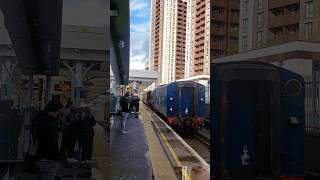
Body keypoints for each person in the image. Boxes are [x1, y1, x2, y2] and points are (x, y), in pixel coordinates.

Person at [35, 100, 64, 180]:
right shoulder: (51, 123)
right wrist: (58, 156)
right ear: (58, 110)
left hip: (40, 156)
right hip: (49, 159)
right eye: (61, 109)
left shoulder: (41, 119)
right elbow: (53, 142)